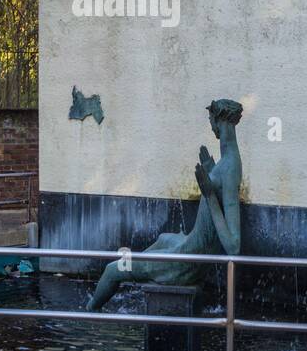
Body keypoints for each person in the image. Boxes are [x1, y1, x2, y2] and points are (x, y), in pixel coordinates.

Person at [87, 98, 243, 310]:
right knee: (163, 238)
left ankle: (90, 315)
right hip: (190, 245)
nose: (210, 126)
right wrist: (211, 169)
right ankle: (145, 268)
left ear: (218, 120)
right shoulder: (228, 161)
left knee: (112, 269)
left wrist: (209, 194)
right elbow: (222, 190)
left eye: (210, 120)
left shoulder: (230, 166)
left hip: (187, 261)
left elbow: (233, 246)